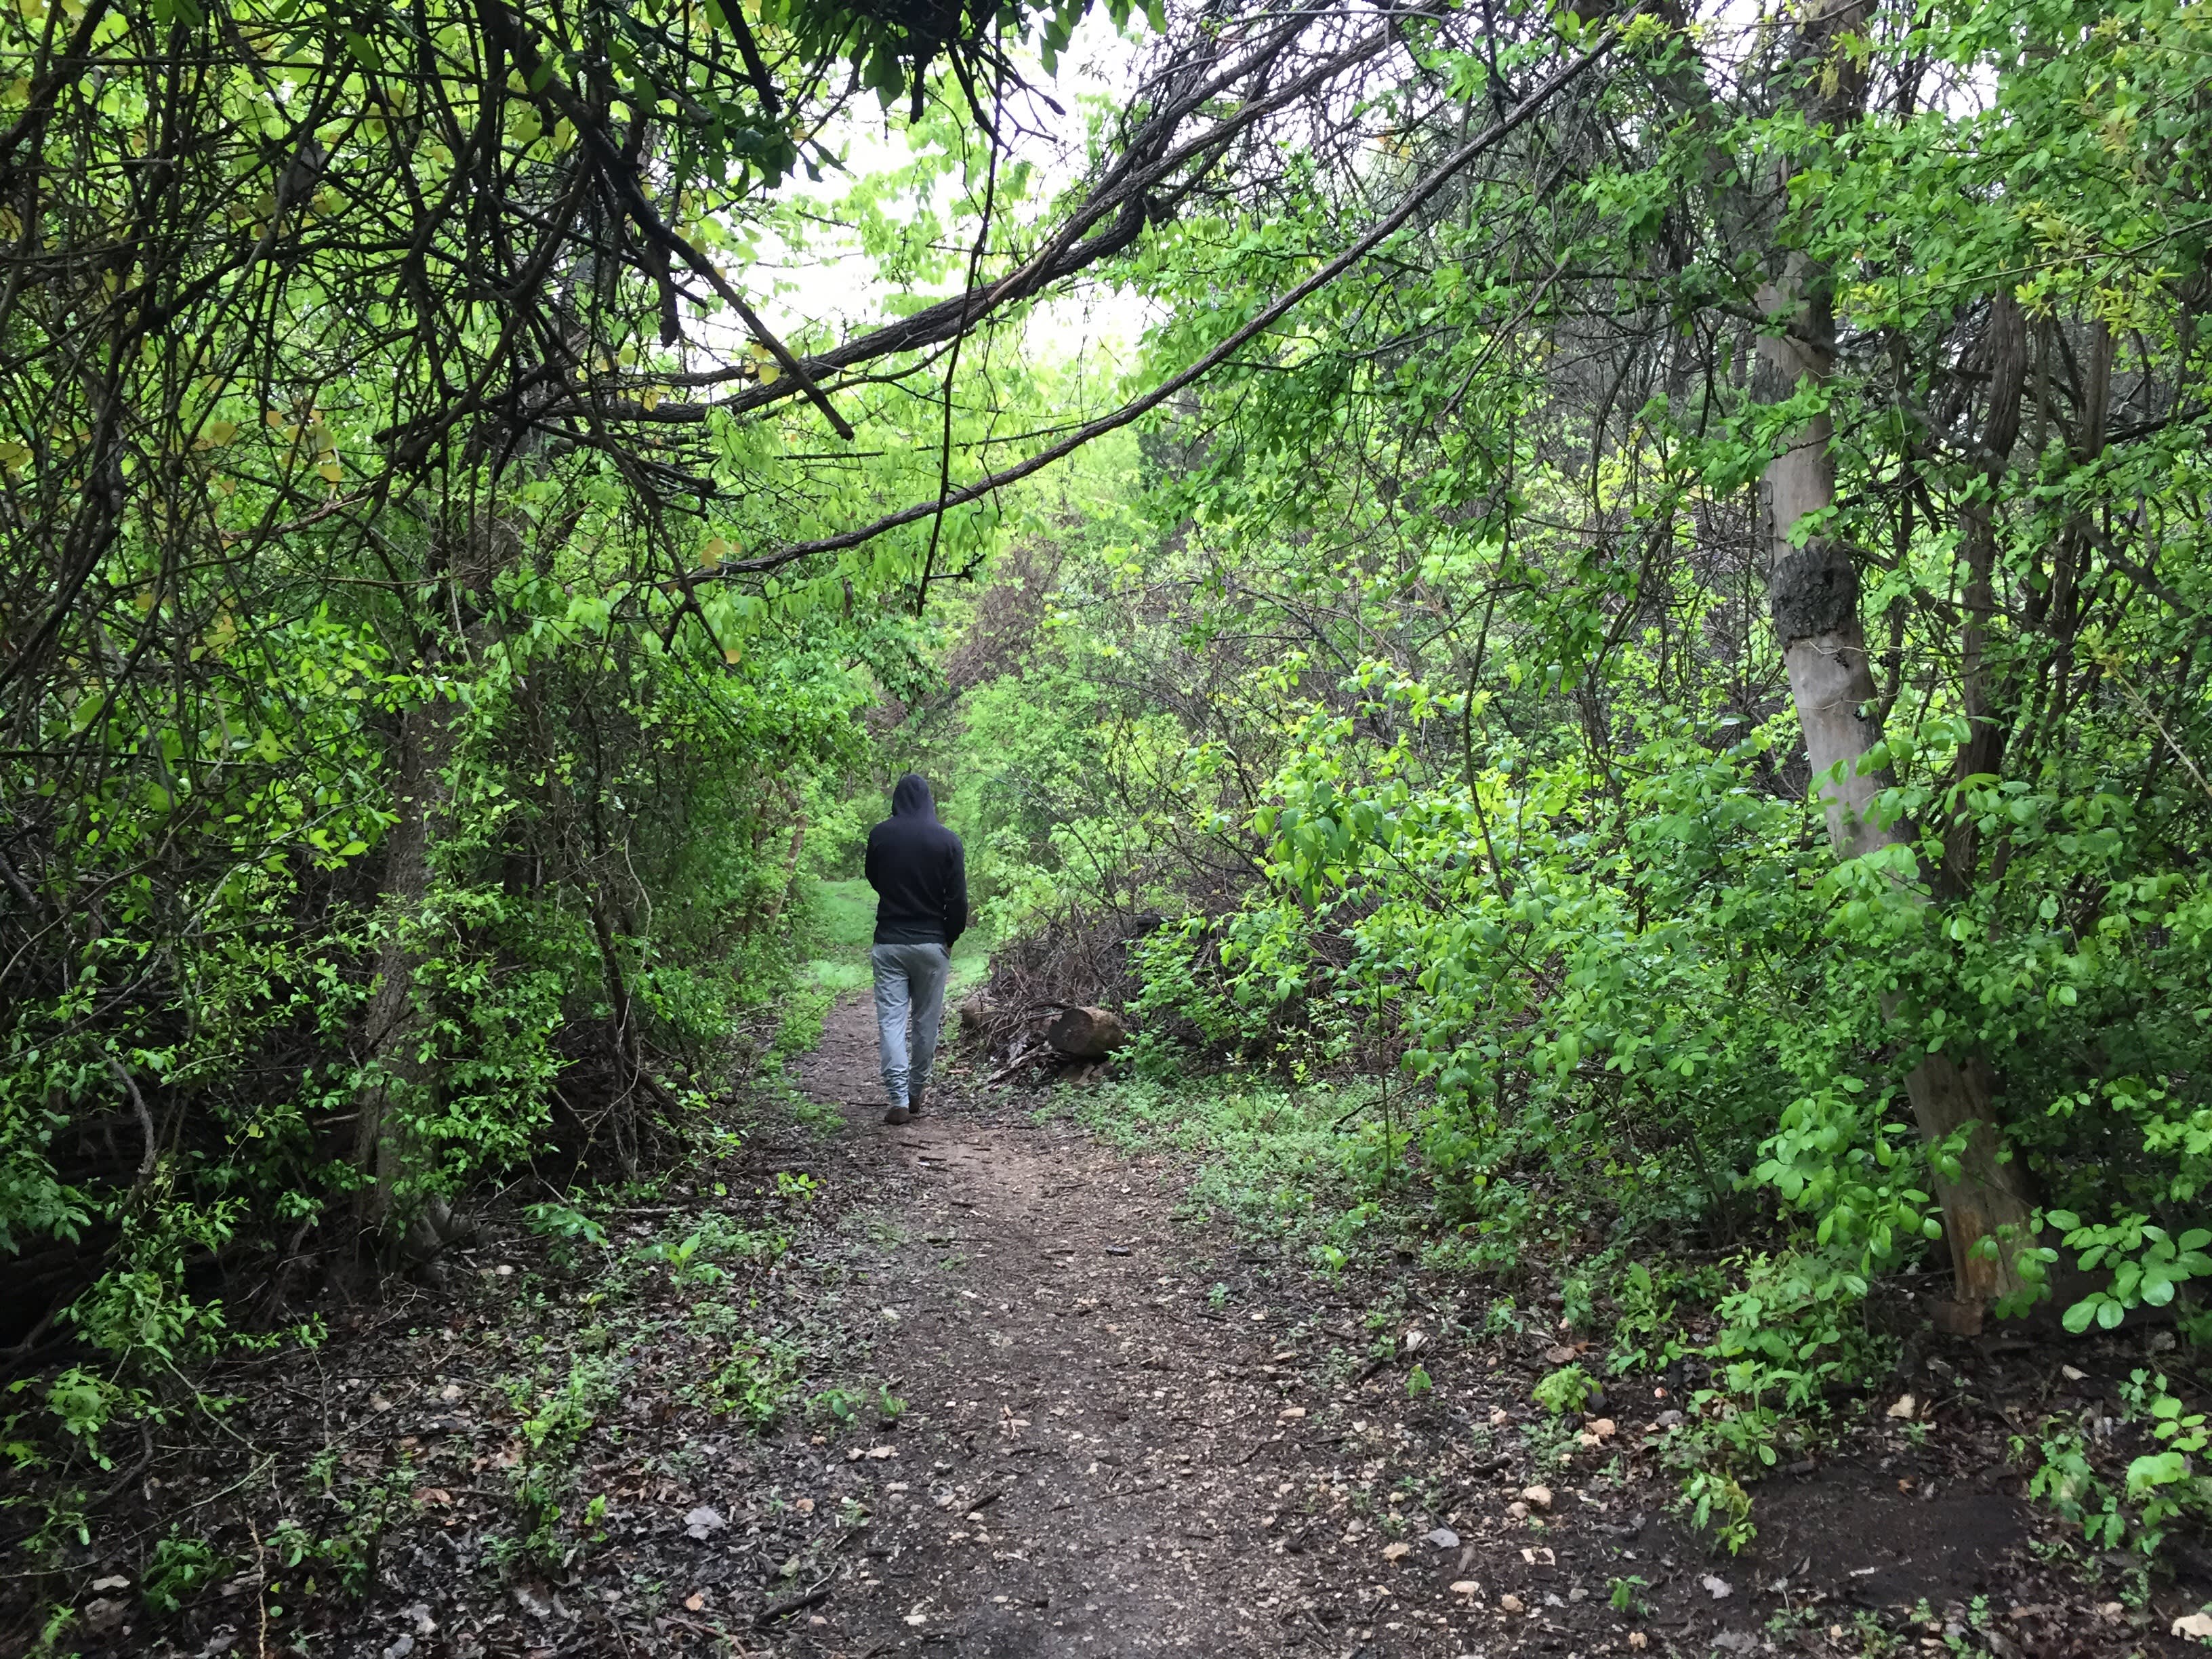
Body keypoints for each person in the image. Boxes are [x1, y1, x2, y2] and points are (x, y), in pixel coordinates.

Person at [863, 773, 966, 1125]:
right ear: (929, 801)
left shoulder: (880, 836)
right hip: (932, 943)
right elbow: (958, 899)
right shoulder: (948, 841)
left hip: (890, 942)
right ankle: (916, 1090)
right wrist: (949, 937)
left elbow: (874, 878)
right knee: (926, 1022)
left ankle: (898, 1099)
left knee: (891, 1022)